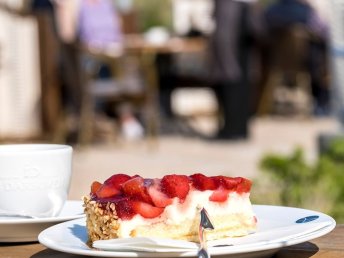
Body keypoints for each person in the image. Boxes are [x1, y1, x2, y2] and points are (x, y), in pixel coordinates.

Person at [263, 0, 330, 116]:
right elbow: (323, 32)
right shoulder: (305, 12)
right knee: (319, 55)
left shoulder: (270, 11)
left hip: (276, 62)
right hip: (304, 63)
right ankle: (322, 102)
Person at [209, 0, 262, 140]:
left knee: (230, 71)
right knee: (238, 72)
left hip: (233, 12)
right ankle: (237, 128)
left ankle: (234, 128)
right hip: (243, 12)